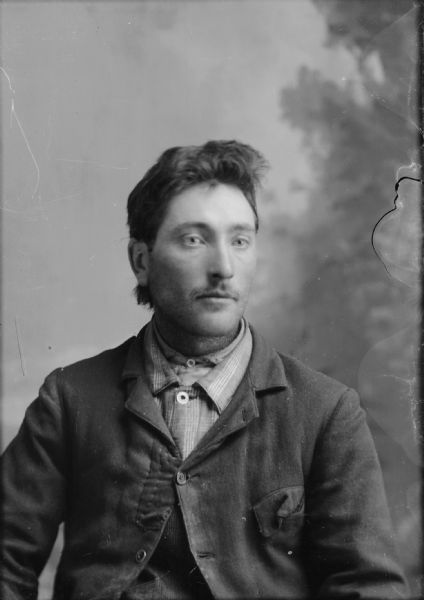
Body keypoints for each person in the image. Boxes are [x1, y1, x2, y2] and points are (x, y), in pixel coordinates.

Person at [1, 140, 409, 599]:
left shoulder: (326, 411)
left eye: (239, 240)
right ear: (141, 261)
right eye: (194, 239)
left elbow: (368, 588)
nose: (223, 267)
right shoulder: (70, 399)